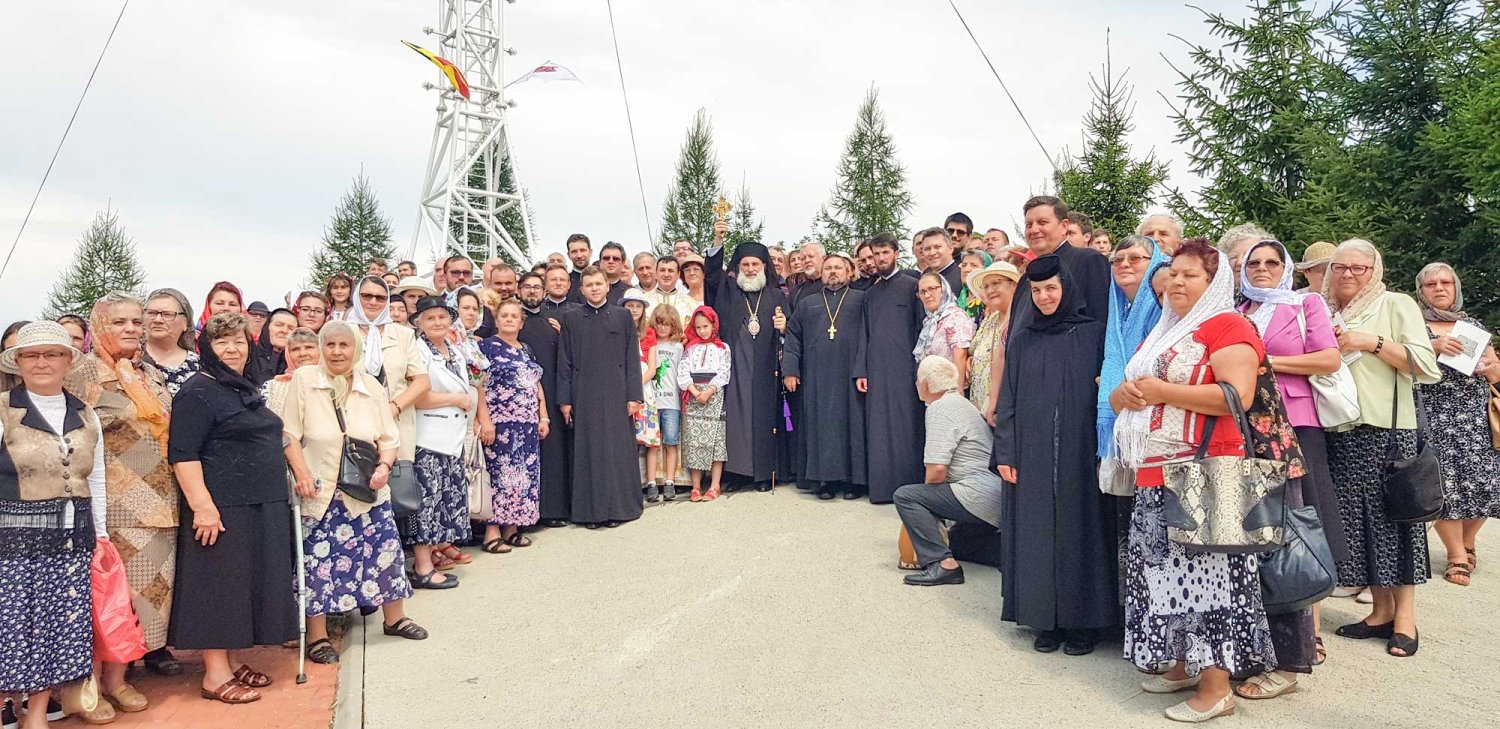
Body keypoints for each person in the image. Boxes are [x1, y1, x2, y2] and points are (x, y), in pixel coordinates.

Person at [1109, 242, 1273, 722]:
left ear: (1214, 283)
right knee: (1167, 577)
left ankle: (1217, 686)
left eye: (1190, 276)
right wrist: (1125, 394)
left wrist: (1161, 391)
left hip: (1210, 470)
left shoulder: (1228, 325)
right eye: (1173, 274)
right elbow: (1126, 398)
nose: (1176, 283)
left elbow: (1237, 396)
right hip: (1158, 471)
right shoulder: (1165, 331)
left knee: (1209, 584)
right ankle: (1184, 663)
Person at [1233, 238, 1345, 692]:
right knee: (1257, 529)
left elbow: (1329, 357)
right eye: (1253, 263)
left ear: (1286, 267)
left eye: (1271, 262)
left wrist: (1267, 362)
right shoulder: (1237, 308)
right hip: (1244, 427)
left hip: (1295, 422)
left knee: (1302, 522)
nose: (1262, 269)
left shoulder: (1305, 304)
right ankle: (1262, 631)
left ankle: (1310, 631)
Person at [278, 321, 425, 665]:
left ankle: (395, 618)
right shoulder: (304, 380)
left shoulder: (370, 385)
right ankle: (318, 637)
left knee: (384, 553)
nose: (337, 352)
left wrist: (384, 468)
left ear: (356, 348)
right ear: (321, 347)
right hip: (320, 485)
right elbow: (288, 433)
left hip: (366, 485)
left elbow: (388, 438)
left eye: (345, 345)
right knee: (318, 562)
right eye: (330, 345)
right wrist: (300, 473)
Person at [167, 312, 296, 704]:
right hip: (222, 508)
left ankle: (232, 659)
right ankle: (214, 675)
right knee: (219, 589)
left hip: (257, 504)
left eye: (239, 340)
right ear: (207, 347)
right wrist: (203, 507)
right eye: (222, 342)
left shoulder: (245, 388)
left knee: (242, 587)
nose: (233, 348)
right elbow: (183, 454)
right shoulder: (197, 391)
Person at [65, 294, 184, 712]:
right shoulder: (79, 373)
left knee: (144, 599)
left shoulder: (149, 373)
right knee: (105, 598)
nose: (132, 328)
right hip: (112, 505)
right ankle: (89, 686)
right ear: (99, 326)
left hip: (162, 503)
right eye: (120, 322)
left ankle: (118, 679)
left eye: (137, 320)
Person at [1322, 238, 1439, 658]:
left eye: (1359, 268)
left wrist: (1370, 343)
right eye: (1340, 267)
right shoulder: (1321, 308)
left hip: (1386, 430)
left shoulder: (1395, 304)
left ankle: (1405, 617)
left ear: (1376, 271)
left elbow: (1426, 366)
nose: (1348, 275)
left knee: (1398, 521)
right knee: (1360, 526)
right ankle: (1380, 612)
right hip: (1339, 431)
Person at [995, 255, 1116, 656]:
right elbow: (1007, 398)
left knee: (1080, 532)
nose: (1044, 297)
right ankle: (1043, 618)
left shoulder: (1094, 334)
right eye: (1036, 291)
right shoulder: (1024, 337)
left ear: (1066, 289)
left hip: (1081, 452)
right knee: (1037, 533)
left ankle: (1082, 623)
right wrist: (1006, 452)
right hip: (1031, 452)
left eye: (1051, 288)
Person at [0, 322, 110, 727]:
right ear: (19, 363)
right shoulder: (2, 408)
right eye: (32, 355)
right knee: (8, 630)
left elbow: (95, 477)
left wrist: (100, 535)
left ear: (67, 361)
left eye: (52, 354)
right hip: (11, 541)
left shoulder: (86, 413)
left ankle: (38, 715)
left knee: (57, 628)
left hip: (71, 541)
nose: (41, 362)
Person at [1414, 263, 1500, 587]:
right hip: (1432, 415)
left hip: (1475, 417)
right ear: (1421, 290)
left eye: (1446, 282)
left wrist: (1492, 369)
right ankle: (1456, 556)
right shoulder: (1414, 326)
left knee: (1486, 484)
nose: (1439, 288)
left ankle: (1468, 538)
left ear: (1456, 288)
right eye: (1431, 283)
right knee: (1443, 486)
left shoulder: (1472, 325)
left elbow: (1497, 372)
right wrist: (1432, 348)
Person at [893, 356, 1001, 587]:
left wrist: (928, 510)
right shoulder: (961, 403)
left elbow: (937, 470)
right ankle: (1007, 553)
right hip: (995, 495)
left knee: (906, 496)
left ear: (924, 385)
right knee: (957, 542)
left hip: (976, 494)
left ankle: (943, 566)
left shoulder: (939, 409)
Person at [557, 267, 645, 527]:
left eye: (598, 284)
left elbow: (631, 358)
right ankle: (589, 513)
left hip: (617, 393)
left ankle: (617, 509)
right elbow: (565, 361)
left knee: (615, 452)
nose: (594, 288)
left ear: (607, 286)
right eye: (589, 285)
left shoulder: (622, 317)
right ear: (582, 289)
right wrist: (565, 400)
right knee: (587, 452)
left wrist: (634, 396)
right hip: (583, 393)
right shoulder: (571, 318)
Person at [704, 232, 788, 492]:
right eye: (745, 265)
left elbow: (792, 331)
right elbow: (712, 276)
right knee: (735, 418)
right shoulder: (728, 291)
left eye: (755, 265)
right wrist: (718, 243)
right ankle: (737, 473)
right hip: (736, 367)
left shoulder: (776, 295)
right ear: (738, 268)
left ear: (764, 267)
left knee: (763, 419)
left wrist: (784, 328)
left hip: (765, 367)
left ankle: (763, 474)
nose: (750, 270)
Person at [346, 276, 432, 524]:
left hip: (397, 419)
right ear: (356, 298)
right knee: (357, 485)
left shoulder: (403, 334)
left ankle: (394, 553)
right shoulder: (343, 330)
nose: (373, 301)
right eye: (367, 296)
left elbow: (421, 380)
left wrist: (394, 407)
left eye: (380, 297)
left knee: (397, 488)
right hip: (355, 422)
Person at [399, 297, 474, 582]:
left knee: (443, 498)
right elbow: (417, 395)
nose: (438, 322)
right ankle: (422, 567)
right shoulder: (418, 351)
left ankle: (433, 555)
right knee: (427, 501)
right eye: (430, 318)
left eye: (443, 317)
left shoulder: (452, 349)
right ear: (419, 323)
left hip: (452, 436)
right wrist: (455, 398)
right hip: (429, 436)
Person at [783, 253, 867, 500]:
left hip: (851, 374)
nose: (833, 272)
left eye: (838, 268)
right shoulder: (808, 303)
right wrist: (790, 370)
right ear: (821, 272)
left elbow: (869, 337)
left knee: (852, 425)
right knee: (821, 427)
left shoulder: (862, 300)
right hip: (816, 376)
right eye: (828, 267)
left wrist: (863, 370)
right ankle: (824, 481)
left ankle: (853, 482)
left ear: (849, 272)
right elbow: (793, 337)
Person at [1096, 236, 1169, 491]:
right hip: (1124, 413)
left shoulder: (1163, 307)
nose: (1124, 264)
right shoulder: (1119, 309)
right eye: (1117, 260)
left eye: (1135, 258)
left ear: (1154, 263)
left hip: (1155, 419)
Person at [856, 232, 925, 504]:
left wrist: (921, 367)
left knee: (906, 427)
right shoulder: (870, 293)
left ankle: (908, 489)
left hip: (906, 368)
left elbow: (921, 328)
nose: (880, 258)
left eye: (885, 253)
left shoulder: (912, 286)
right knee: (879, 428)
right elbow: (865, 333)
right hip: (876, 370)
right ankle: (883, 489)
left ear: (896, 253)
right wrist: (861, 370)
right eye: (876, 254)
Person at [479, 299, 549, 547]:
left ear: (521, 322)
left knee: (522, 475)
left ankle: (512, 527)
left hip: (527, 424)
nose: (509, 319)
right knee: (499, 474)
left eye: (514, 316)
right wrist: (484, 419)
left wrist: (543, 416)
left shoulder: (525, 349)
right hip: (500, 423)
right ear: (497, 320)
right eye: (504, 316)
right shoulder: (486, 348)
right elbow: (479, 384)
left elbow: (535, 383)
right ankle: (492, 532)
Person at [517, 273, 573, 527]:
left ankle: (551, 510)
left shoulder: (554, 321)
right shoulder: (513, 321)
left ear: (544, 291)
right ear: (519, 291)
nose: (532, 292)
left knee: (552, 453)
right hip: (518, 399)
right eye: (527, 287)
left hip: (550, 394)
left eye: (536, 287)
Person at [1012, 197, 1111, 331]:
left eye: (1042, 222)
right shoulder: (1026, 278)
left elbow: (1099, 322)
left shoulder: (1089, 261)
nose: (1034, 230)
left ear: (1064, 226)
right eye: (1029, 225)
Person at [679, 307, 731, 501]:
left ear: (713, 325)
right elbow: (683, 370)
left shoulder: (722, 348)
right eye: (698, 327)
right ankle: (696, 486)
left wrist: (709, 391)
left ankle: (715, 485)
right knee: (694, 441)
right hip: (694, 395)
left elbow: (724, 372)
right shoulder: (690, 348)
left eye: (706, 326)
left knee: (717, 441)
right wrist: (693, 391)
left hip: (714, 395)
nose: (702, 331)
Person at [966, 262, 1021, 424]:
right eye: (986, 286)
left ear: (1014, 286)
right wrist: (972, 359)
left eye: (996, 283)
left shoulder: (1021, 319)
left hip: (1006, 408)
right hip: (979, 408)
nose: (990, 290)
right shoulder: (990, 320)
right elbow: (972, 348)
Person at [645, 305, 684, 501]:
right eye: (659, 323)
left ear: (673, 326)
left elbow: (680, 373)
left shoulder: (677, 347)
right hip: (652, 401)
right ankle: (651, 482)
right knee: (652, 444)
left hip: (671, 402)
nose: (662, 328)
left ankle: (670, 481)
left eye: (667, 325)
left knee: (670, 442)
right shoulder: (649, 344)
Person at [913, 272, 974, 386]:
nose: (927, 295)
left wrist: (958, 390)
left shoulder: (955, 316)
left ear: (944, 289)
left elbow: (960, 354)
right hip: (935, 390)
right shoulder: (930, 321)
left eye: (932, 288)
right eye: (922, 291)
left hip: (951, 390)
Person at [142, 288, 201, 396]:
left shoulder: (200, 366)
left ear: (185, 323)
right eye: (151, 313)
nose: (157, 320)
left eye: (167, 314)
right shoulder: (131, 358)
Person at [245, 308, 298, 386]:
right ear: (267, 328)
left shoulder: (298, 364)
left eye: (290, 328)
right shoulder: (248, 359)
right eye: (279, 325)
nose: (284, 331)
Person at [643, 256, 699, 325]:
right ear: (656, 273)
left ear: (678, 275)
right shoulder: (643, 301)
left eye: (670, 271)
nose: (666, 274)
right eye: (662, 270)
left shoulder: (690, 303)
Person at [916, 228, 963, 294]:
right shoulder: (922, 279)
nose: (932, 253)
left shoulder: (962, 278)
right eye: (927, 249)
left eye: (937, 247)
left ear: (950, 248)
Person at [956, 249, 992, 321]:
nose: (966, 269)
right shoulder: (956, 298)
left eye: (973, 265)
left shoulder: (989, 300)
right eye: (964, 265)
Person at [565, 233, 593, 299]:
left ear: (590, 252)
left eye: (582, 250)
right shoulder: (564, 282)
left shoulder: (602, 279)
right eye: (574, 252)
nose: (579, 256)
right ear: (568, 255)